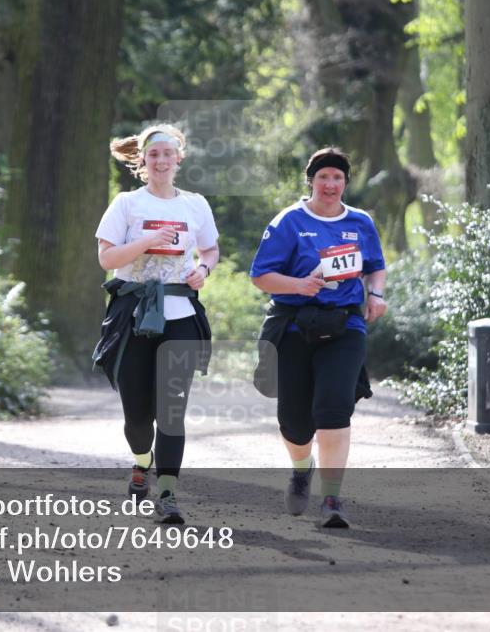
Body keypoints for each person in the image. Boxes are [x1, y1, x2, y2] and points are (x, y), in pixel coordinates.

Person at [249, 147, 387, 528]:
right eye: (324, 177)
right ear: (311, 181)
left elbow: (375, 267)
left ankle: (332, 498)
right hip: (294, 327)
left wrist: (375, 294)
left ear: (345, 183)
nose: (330, 184)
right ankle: (300, 469)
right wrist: (300, 284)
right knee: (294, 422)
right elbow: (260, 275)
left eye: (338, 178)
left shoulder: (360, 222)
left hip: (345, 327)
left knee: (333, 410)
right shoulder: (289, 222)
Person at [92, 124, 220, 524]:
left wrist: (204, 268)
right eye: (153, 155)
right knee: (136, 416)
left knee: (172, 410)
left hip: (180, 314)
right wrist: (147, 241)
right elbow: (107, 259)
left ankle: (167, 493)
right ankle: (140, 461)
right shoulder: (127, 204)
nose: (161, 161)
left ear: (178, 158)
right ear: (143, 161)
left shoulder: (196, 204)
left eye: (168, 154)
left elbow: (211, 248)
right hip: (133, 315)